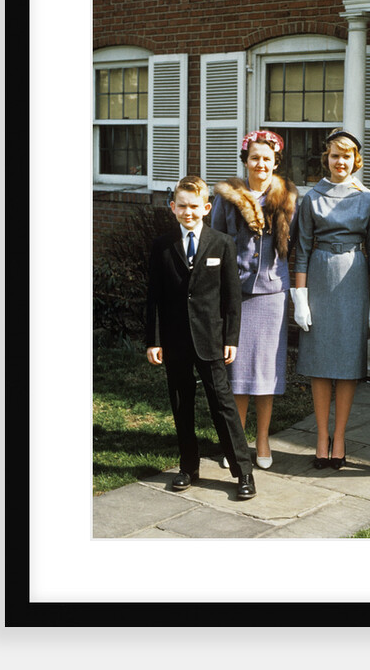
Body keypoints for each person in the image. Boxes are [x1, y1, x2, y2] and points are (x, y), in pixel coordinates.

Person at [146, 175, 256, 500]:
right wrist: (154, 341)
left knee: (222, 404)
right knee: (182, 404)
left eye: (194, 206)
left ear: (206, 207)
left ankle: (243, 471)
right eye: (182, 206)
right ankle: (188, 465)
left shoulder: (221, 243)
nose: (188, 212)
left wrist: (231, 338)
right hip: (175, 339)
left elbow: (231, 298)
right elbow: (154, 297)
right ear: (172, 207)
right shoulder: (162, 246)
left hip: (210, 339)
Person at [291, 129, 370, 470]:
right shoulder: (311, 197)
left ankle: (340, 437)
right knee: (318, 363)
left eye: (346, 156)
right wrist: (299, 298)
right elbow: (300, 250)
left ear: (355, 161)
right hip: (318, 276)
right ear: (326, 159)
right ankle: (320, 437)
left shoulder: (368, 199)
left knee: (346, 365)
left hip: (355, 279)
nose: (340, 162)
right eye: (334, 156)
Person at [211, 130, 299, 470]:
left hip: (272, 293)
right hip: (236, 294)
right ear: (245, 160)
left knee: (266, 372)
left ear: (275, 162)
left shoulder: (289, 197)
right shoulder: (228, 197)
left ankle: (262, 440)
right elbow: (215, 243)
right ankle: (236, 441)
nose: (260, 164)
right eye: (254, 157)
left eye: (267, 158)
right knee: (237, 373)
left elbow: (298, 243)